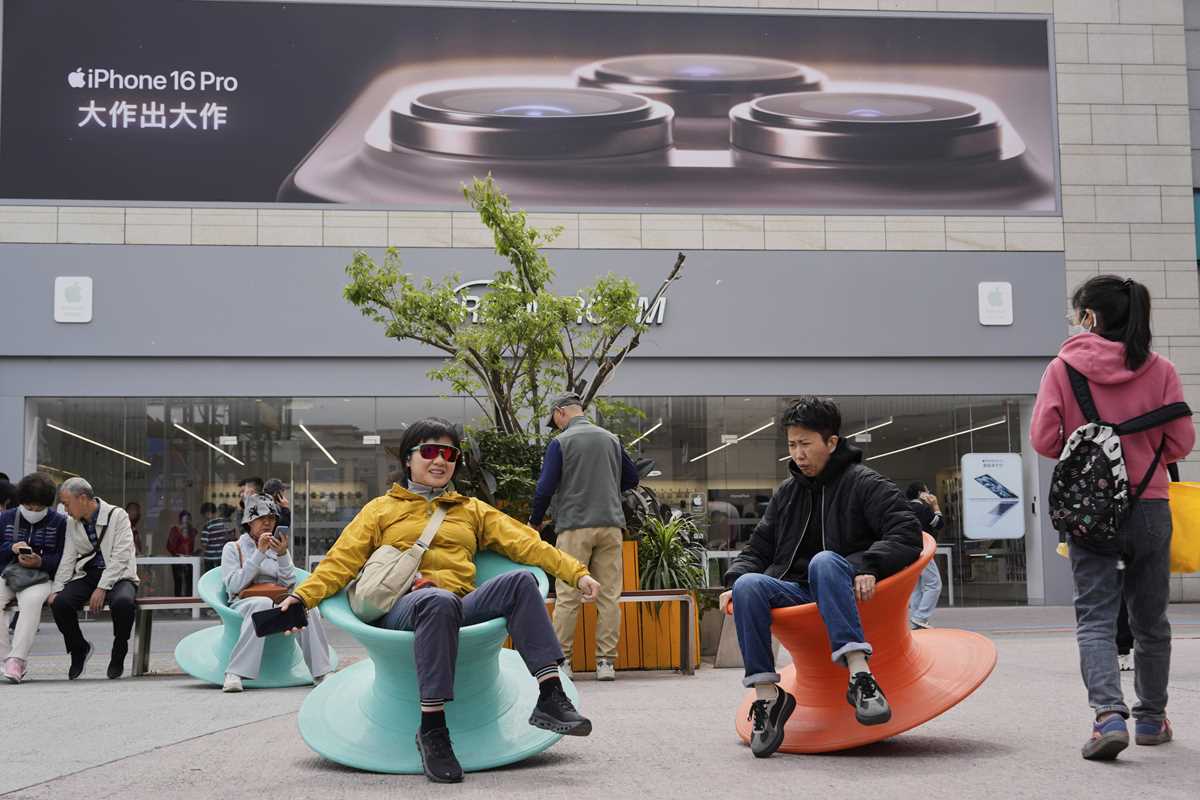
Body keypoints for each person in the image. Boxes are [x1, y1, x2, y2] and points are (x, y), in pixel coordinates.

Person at [279, 417, 602, 784]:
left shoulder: (471, 509)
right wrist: (302, 597)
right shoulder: (381, 509)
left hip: (457, 604)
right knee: (436, 600)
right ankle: (432, 729)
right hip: (402, 607)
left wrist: (577, 573)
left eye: (449, 454)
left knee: (519, 582)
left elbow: (526, 543)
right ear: (408, 459)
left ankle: (550, 696)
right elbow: (341, 561)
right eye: (430, 451)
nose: (440, 460)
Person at [1031, 275, 1194, 761]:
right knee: (1151, 620)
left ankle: (1107, 715)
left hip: (1091, 509)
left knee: (1096, 618)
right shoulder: (1160, 369)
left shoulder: (1062, 368)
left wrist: (1090, 451)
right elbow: (1181, 441)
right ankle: (1151, 718)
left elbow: (1044, 440)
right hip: (1150, 505)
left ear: (1089, 317)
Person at [720, 397, 922, 758]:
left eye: (805, 444)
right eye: (792, 445)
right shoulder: (787, 494)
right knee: (748, 585)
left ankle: (860, 676)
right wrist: (733, 580)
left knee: (825, 562)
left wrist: (868, 565)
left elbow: (906, 532)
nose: (798, 454)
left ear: (831, 442)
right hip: (798, 592)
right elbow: (759, 549)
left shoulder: (864, 483)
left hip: (841, 585)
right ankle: (768, 697)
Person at [529, 393, 638, 682]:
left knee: (568, 595)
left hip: (574, 526)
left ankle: (563, 662)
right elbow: (632, 478)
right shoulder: (611, 439)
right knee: (609, 596)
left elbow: (544, 487)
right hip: (611, 525)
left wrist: (535, 521)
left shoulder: (561, 442)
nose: (555, 424)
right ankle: (606, 663)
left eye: (554, 418)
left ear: (560, 412)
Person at [220, 494, 331, 693]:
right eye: (261, 518)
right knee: (261, 604)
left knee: (308, 608)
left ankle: (321, 673)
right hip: (245, 602)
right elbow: (234, 585)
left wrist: (282, 554)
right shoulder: (233, 548)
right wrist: (259, 553)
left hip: (279, 603)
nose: (267, 523)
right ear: (249, 522)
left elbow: (289, 584)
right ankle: (234, 673)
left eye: (271, 518)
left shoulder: (277, 547)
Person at [50, 477, 140, 680]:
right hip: (89, 574)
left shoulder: (118, 515)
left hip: (120, 575)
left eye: (66, 504)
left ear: (82, 498)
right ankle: (78, 648)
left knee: (123, 603)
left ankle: (119, 649)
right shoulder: (72, 523)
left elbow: (121, 557)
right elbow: (68, 557)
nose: (65, 509)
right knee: (60, 603)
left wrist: (102, 587)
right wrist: (57, 588)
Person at [0, 473, 67, 683]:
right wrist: (11, 548)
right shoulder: (6, 518)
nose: (34, 512)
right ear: (21, 502)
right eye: (29, 507)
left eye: (39, 508)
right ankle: (5, 658)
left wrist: (41, 562)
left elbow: (64, 557)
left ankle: (17, 660)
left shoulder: (59, 522)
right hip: (9, 573)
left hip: (41, 577)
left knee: (31, 602)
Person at [905, 481, 946, 630]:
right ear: (920, 493)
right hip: (922, 550)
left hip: (907, 551)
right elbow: (939, 524)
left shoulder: (903, 508)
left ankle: (916, 621)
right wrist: (935, 505)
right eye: (927, 491)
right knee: (934, 584)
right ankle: (920, 617)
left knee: (917, 586)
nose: (929, 494)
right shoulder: (922, 509)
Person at [167, 510, 198, 596]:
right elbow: (169, 546)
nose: (185, 523)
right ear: (180, 520)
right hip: (177, 560)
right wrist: (176, 554)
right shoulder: (174, 530)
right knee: (178, 582)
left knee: (189, 582)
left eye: (188, 520)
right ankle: (178, 601)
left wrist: (193, 554)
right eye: (183, 520)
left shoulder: (193, 531)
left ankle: (189, 601)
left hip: (190, 560)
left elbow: (197, 546)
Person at [199, 502, 233, 577]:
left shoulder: (207, 525)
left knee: (210, 577)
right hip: (223, 556)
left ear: (207, 513)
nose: (204, 517)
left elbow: (204, 543)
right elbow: (232, 537)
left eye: (204, 515)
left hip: (210, 558)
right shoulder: (226, 522)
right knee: (221, 577)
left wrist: (201, 552)